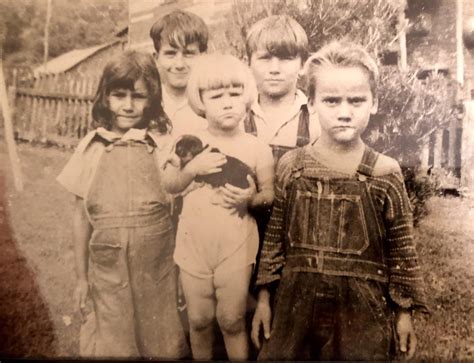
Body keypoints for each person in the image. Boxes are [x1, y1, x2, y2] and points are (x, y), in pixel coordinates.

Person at [251, 41, 428, 360]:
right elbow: (275, 239)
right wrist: (264, 298)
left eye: (356, 101)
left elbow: (402, 249)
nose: (344, 112)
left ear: (373, 103)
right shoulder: (292, 165)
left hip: (360, 308)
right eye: (331, 101)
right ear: (312, 104)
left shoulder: (384, 172)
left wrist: (404, 313)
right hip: (296, 302)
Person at [57, 51, 188, 358]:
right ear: (106, 97)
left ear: (151, 99)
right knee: (115, 339)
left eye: (138, 96)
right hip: (108, 263)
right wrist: (81, 277)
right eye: (119, 95)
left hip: (157, 263)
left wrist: (181, 271)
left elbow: (178, 212)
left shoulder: (161, 146)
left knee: (161, 339)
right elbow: (81, 216)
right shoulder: (91, 147)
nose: (128, 106)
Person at [162, 54, 274, 360]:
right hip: (194, 242)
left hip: (235, 242)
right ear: (200, 100)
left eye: (235, 94)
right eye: (216, 95)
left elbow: (270, 195)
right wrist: (191, 169)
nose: (227, 103)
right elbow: (169, 184)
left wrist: (249, 199)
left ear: (248, 98)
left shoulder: (255, 147)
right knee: (198, 320)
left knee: (231, 319)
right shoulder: (187, 141)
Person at [244, 15, 320, 164]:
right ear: (248, 64)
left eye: (285, 58)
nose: (274, 69)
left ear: (303, 65)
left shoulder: (316, 119)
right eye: (265, 58)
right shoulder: (238, 117)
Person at [150, 9, 208, 137]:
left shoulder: (213, 104)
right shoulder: (146, 105)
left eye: (188, 54)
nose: (179, 64)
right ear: (156, 58)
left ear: (203, 57)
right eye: (170, 54)